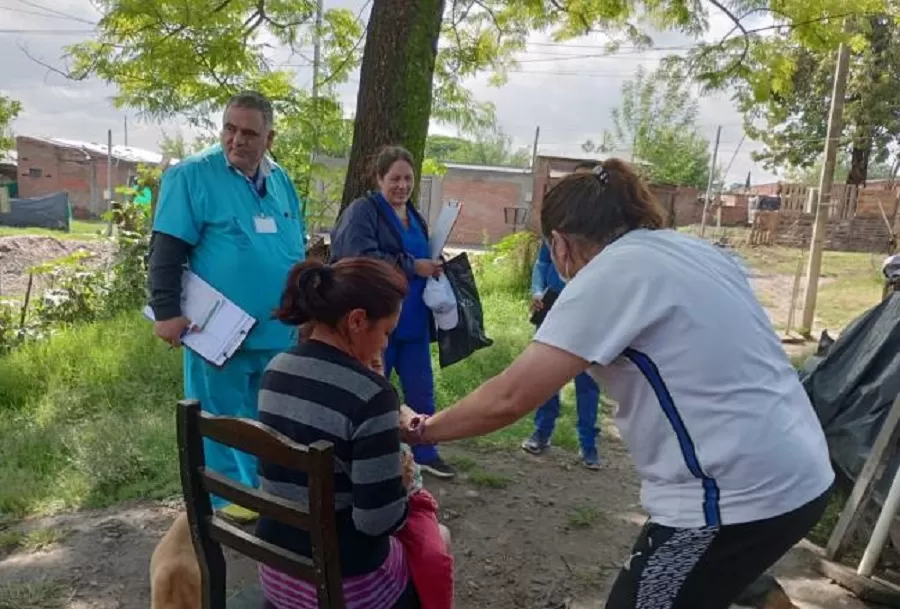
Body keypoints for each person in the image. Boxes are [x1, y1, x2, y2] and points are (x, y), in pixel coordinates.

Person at [399, 159, 835, 609]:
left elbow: (509, 397)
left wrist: (422, 428)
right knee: (718, 571)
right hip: (800, 469)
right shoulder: (688, 249)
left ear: (561, 243)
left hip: (731, 495)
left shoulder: (609, 275)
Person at [148, 90, 306, 524]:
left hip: (276, 330)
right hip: (216, 328)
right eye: (229, 128)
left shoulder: (281, 181)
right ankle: (221, 497)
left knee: (265, 413)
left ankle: (261, 489)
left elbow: (294, 245)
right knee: (217, 413)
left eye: (249, 132)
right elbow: (166, 249)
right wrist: (165, 312)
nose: (236, 139)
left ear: (269, 138)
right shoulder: (192, 176)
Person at [256, 257, 417, 609]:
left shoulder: (275, 369)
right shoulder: (372, 395)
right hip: (345, 586)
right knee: (428, 559)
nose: (386, 345)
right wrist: (401, 487)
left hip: (275, 569)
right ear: (357, 320)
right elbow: (376, 522)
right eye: (386, 332)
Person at [330, 145, 454, 479]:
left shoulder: (414, 215)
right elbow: (356, 258)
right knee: (373, 389)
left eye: (408, 178)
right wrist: (414, 266)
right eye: (394, 178)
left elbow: (422, 257)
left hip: (413, 320)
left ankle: (425, 451)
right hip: (376, 320)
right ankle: (368, 456)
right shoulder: (364, 211)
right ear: (379, 178)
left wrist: (434, 268)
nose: (401, 185)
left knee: (421, 389)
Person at [523, 160, 602, 469]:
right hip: (553, 305)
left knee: (587, 380)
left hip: (587, 309)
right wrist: (537, 291)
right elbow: (542, 264)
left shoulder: (600, 234)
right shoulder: (557, 223)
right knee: (546, 376)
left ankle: (589, 445)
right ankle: (542, 432)